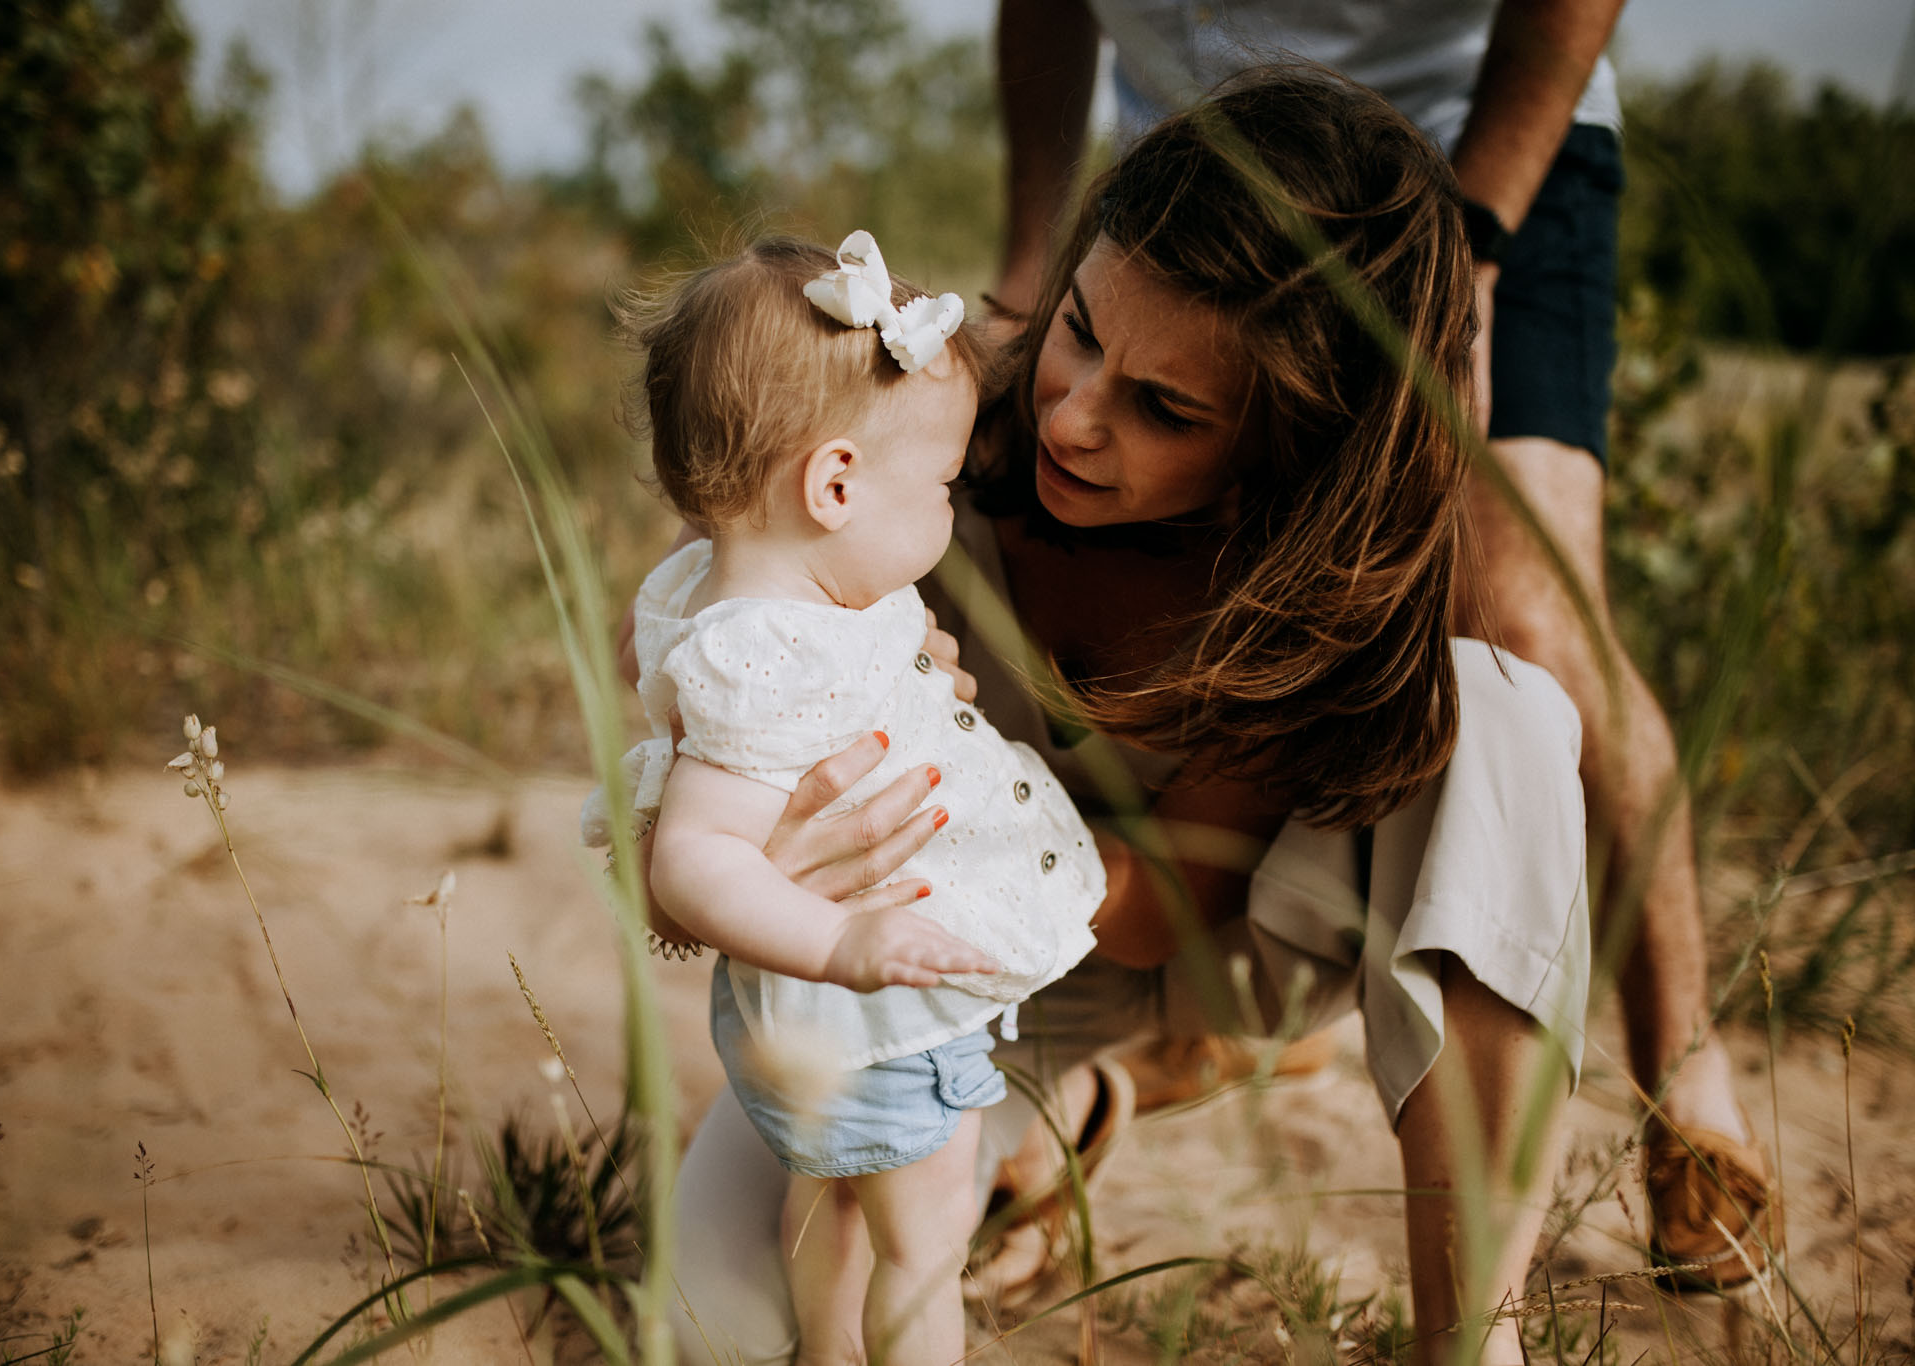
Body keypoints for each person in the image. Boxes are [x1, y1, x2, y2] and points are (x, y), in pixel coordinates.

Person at [640, 68, 1596, 1365]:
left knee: (1504, 716)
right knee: (725, 1330)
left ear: (1286, 446)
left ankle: (1470, 1339)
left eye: (1164, 409)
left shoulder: (1313, 583)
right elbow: (701, 726)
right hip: (942, 960)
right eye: (1082, 331)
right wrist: (779, 823)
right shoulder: (923, 463)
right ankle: (1062, 1111)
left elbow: (1163, 915)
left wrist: (947, 793)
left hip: (1203, 928)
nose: (1075, 416)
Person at [990, 0, 1779, 1289]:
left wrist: (1466, 249)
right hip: (1214, 154)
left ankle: (1684, 1067)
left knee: (1519, 629)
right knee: (1146, 543)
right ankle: (1122, 1044)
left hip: (1481, 146)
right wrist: (1030, 259)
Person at [585, 230, 1106, 1365]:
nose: (945, 511)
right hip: (871, 1018)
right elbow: (694, 859)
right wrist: (843, 942)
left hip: (837, 1015)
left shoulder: (771, 601)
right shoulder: (766, 656)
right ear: (832, 484)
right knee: (925, 1240)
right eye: (937, 485)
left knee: (824, 1213)